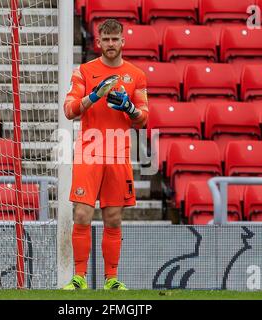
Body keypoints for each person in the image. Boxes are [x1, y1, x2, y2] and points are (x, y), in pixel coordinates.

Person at [62, 19, 148, 290]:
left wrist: (130, 108)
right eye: (106, 39)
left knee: (113, 218)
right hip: (89, 152)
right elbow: (69, 109)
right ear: (98, 42)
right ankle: (79, 279)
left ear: (123, 41)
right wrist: (94, 96)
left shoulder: (136, 75)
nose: (111, 44)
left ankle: (111, 279)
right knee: (82, 215)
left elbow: (143, 118)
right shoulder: (85, 72)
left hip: (118, 155)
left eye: (115, 39)